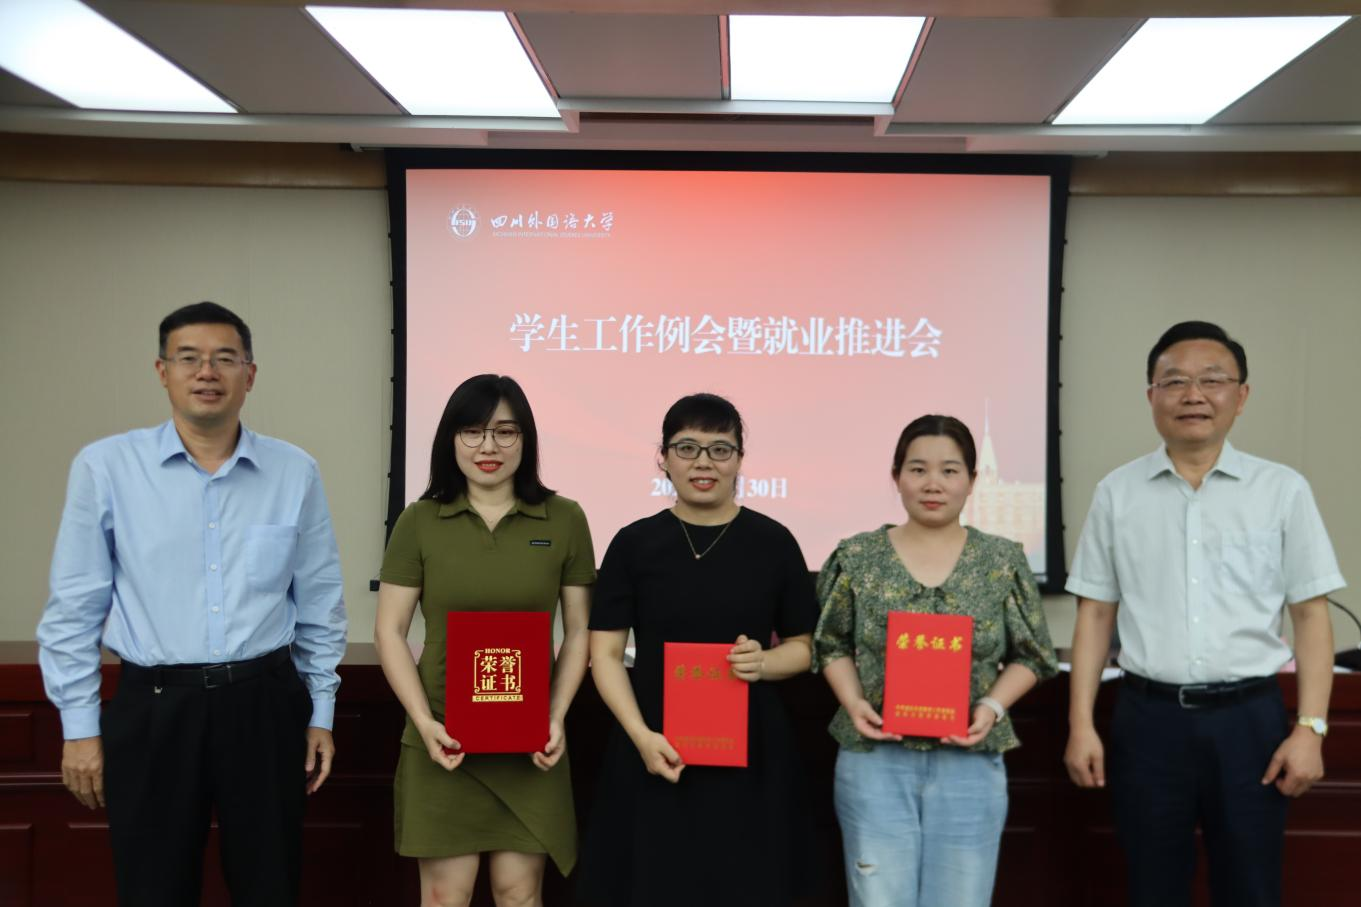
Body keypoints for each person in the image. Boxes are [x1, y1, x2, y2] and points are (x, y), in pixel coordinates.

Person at [36, 301, 347, 906]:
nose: (207, 372)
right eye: (189, 358)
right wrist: (78, 728)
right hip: (153, 708)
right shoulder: (107, 467)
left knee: (270, 886)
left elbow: (320, 602)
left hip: (263, 705)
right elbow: (73, 609)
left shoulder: (294, 471)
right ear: (162, 372)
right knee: (153, 888)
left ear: (249, 374)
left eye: (225, 358)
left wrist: (322, 712)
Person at [1063, 321, 1345, 907]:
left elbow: (1311, 616)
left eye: (1212, 380)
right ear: (1151, 396)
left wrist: (1311, 728)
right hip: (1148, 721)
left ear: (1241, 396)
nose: (1193, 395)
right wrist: (1081, 724)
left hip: (1250, 723)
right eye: (1174, 381)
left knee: (1251, 887)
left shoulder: (1282, 490)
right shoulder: (1117, 492)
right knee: (1152, 887)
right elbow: (1094, 615)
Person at [575, 393, 821, 907]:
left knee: (745, 885)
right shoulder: (634, 543)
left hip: (751, 753)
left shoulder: (774, 542)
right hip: (654, 746)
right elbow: (606, 654)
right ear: (663, 458)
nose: (703, 462)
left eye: (720, 449)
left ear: (739, 459)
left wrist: (764, 662)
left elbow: (803, 646)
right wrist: (641, 736)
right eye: (687, 448)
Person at [813, 414, 1058, 907]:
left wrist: (991, 707)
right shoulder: (857, 556)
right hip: (874, 759)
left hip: (969, 762)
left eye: (949, 470)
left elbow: (1032, 655)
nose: (933, 483)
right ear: (896, 476)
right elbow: (830, 643)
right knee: (877, 897)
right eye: (918, 469)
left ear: (972, 480)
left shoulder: (1002, 560)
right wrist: (854, 702)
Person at [375, 374, 595, 907]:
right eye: (472, 431)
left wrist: (555, 716)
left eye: (505, 432)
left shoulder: (565, 518)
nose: (488, 447)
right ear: (451, 439)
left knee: (519, 893)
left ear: (526, 439)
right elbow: (389, 630)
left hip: (531, 741)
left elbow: (579, 630)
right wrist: (424, 722)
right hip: (443, 736)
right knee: (444, 896)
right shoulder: (419, 520)